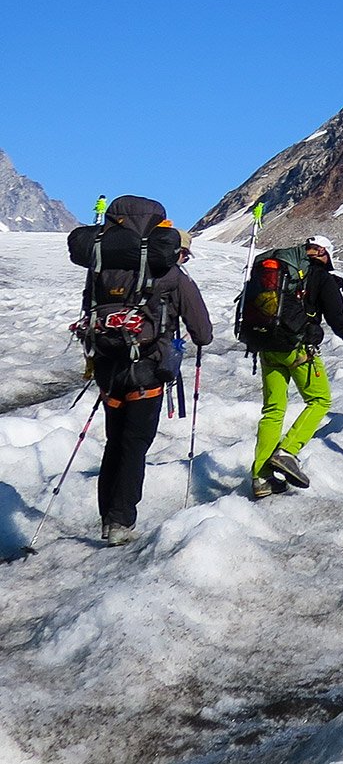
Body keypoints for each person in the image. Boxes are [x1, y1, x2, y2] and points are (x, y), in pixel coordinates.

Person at [82, 205, 213, 546]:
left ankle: (107, 517)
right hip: (148, 371)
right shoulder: (173, 276)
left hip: (108, 367)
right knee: (135, 445)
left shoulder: (101, 267)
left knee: (115, 443)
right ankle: (121, 522)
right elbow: (203, 332)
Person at [251, 234, 343, 499]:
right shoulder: (322, 278)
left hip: (266, 345)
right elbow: (338, 321)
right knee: (320, 399)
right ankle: (287, 452)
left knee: (273, 410)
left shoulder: (278, 270)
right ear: (325, 254)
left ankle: (261, 478)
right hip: (297, 349)